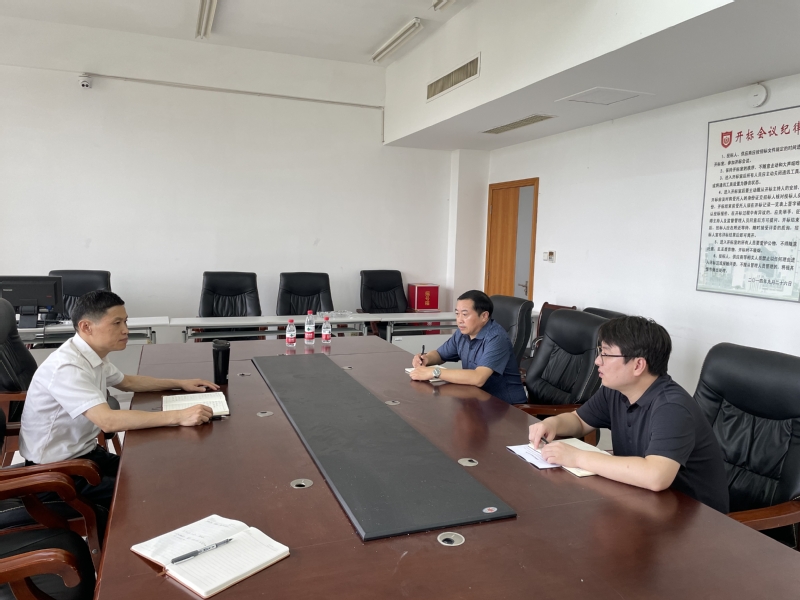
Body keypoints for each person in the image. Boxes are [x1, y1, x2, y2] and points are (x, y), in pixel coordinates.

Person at [20, 291, 217, 510]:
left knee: (159, 473)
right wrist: (179, 416)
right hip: (56, 475)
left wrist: (180, 383)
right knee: (154, 491)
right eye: (116, 323)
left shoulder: (90, 353)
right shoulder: (67, 367)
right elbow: (108, 421)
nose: (126, 330)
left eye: (125, 321)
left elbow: (127, 382)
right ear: (86, 327)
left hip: (86, 457)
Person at [528, 316, 729, 513]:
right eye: (600, 352)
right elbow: (579, 421)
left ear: (638, 365)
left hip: (696, 519)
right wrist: (552, 424)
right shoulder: (616, 390)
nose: (597, 361)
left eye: (606, 354)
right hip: (643, 502)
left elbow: (656, 476)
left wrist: (577, 457)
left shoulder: (672, 407)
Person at [408, 290, 527, 405]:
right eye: (457, 314)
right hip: (478, 399)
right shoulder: (462, 333)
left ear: (484, 316)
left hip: (505, 406)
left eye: (465, 314)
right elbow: (440, 354)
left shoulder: (496, 338)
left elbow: (478, 378)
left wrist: (435, 372)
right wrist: (426, 358)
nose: (459, 320)